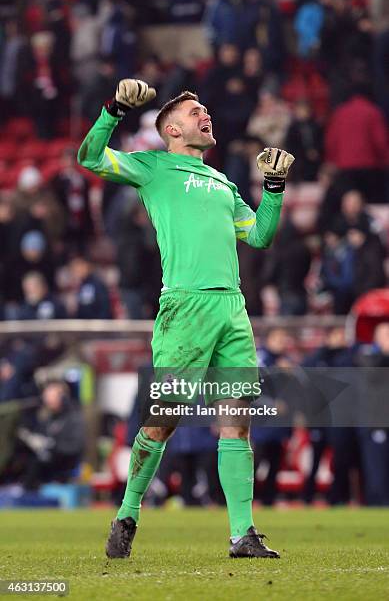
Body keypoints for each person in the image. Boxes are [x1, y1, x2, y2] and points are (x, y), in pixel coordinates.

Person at [78, 78, 294, 559]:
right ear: (171, 129)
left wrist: (274, 190)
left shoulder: (224, 182)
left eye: (206, 109)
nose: (206, 115)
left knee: (237, 420)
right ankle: (128, 512)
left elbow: (258, 236)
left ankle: (242, 534)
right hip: (186, 306)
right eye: (196, 111)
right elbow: (90, 158)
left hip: (232, 308)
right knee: (163, 420)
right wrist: (113, 110)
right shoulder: (153, 168)